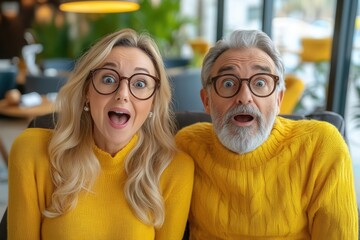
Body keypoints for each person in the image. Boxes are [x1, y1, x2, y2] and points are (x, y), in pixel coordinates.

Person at [8, 28, 194, 239]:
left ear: (153, 102)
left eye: (140, 83)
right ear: (87, 90)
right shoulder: (31, 152)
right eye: (108, 79)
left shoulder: (175, 169)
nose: (122, 94)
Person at [175, 29, 358, 239]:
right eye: (228, 83)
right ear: (206, 100)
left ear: (279, 99)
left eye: (260, 83)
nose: (244, 97)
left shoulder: (321, 146)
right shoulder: (186, 144)